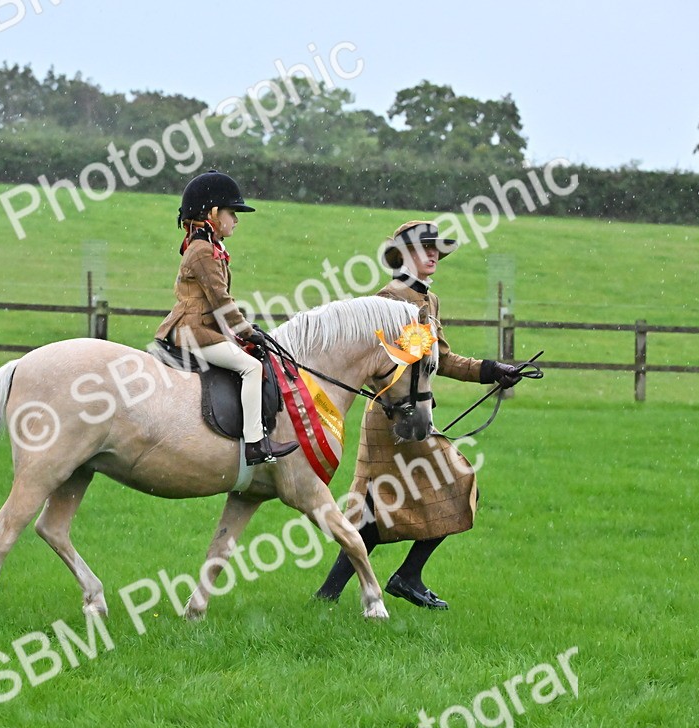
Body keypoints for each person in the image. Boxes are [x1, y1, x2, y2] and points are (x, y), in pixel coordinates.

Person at [315, 220, 523, 609]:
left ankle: (329, 596)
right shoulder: (391, 298)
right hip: (393, 417)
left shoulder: (430, 300)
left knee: (375, 512)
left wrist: (491, 370)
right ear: (405, 254)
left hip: (411, 415)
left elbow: (440, 359)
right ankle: (406, 578)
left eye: (437, 249)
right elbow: (379, 361)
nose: (433, 255)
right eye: (425, 248)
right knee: (457, 482)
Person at [155, 170, 298, 466]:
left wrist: (244, 330)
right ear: (214, 213)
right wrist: (246, 331)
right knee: (250, 367)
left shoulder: (210, 248)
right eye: (233, 213)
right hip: (194, 330)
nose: (236, 220)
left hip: (203, 327)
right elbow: (221, 301)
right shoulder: (203, 251)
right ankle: (256, 443)